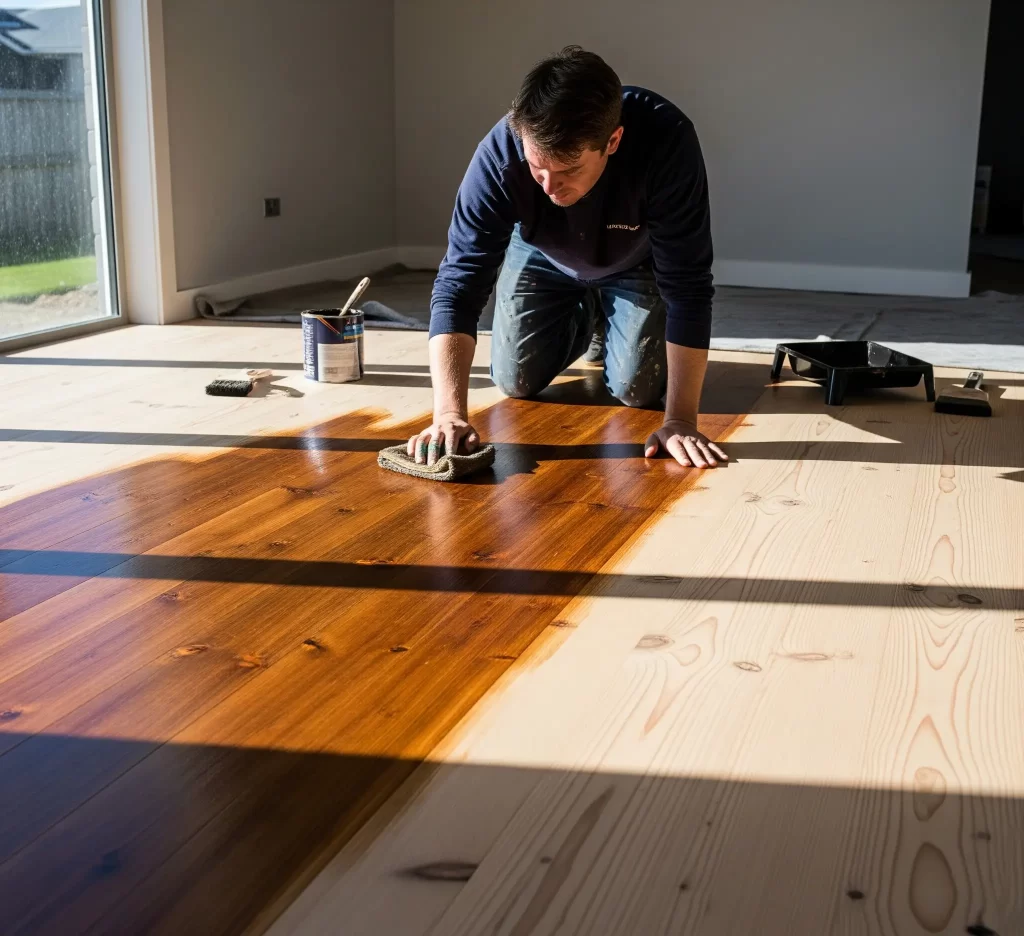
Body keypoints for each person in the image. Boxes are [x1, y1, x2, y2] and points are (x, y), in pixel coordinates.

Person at [408, 45, 727, 471]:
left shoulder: (668, 141)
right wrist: (448, 414)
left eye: (568, 171)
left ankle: (608, 313)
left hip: (636, 258)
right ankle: (588, 318)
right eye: (536, 168)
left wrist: (682, 420)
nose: (548, 187)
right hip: (542, 251)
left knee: (637, 390)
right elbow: (458, 285)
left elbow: (688, 286)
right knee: (515, 381)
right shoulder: (500, 154)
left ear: (613, 141)